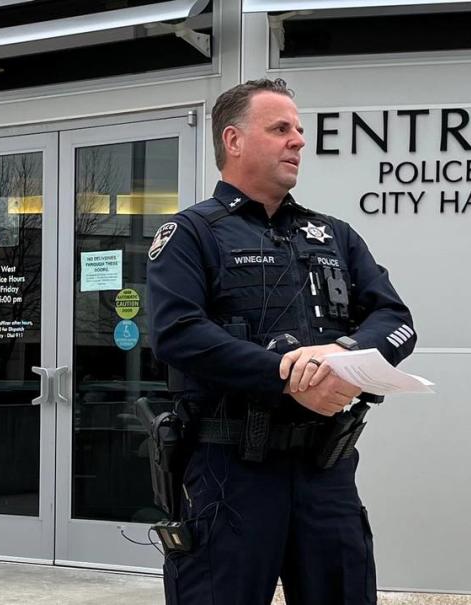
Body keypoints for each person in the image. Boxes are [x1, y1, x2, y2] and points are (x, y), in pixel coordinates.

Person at [146, 78, 416, 605]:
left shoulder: (335, 235)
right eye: (280, 128)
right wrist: (288, 378)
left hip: (326, 470)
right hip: (232, 474)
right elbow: (178, 333)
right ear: (234, 140)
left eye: (298, 129)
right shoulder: (191, 233)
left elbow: (395, 317)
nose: (298, 140)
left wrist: (340, 355)